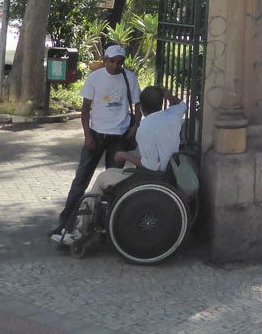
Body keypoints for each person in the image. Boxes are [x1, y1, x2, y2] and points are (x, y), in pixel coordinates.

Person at [52, 85, 187, 245]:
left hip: (152, 176)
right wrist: (167, 94)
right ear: (161, 103)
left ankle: (81, 231)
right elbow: (181, 104)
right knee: (117, 171)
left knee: (102, 179)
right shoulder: (173, 116)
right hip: (168, 171)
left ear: (142, 108)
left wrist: (124, 155)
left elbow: (150, 165)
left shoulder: (145, 128)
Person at [49, 44, 140, 239]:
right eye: (112, 61)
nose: (115, 66)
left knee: (112, 182)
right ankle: (65, 221)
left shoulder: (129, 78)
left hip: (119, 137)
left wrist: (134, 128)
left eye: (119, 62)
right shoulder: (95, 78)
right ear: (105, 60)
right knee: (81, 179)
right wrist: (87, 135)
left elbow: (137, 106)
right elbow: (85, 109)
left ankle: (107, 224)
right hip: (96, 135)